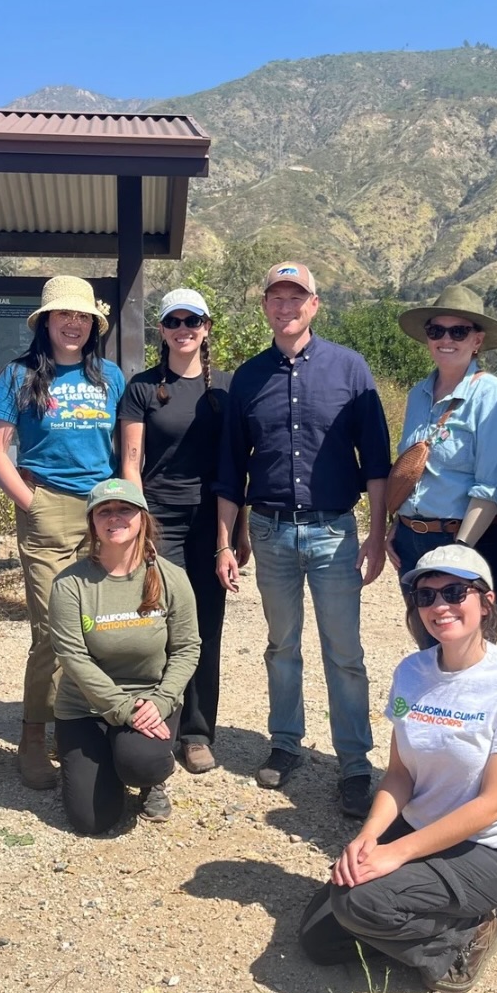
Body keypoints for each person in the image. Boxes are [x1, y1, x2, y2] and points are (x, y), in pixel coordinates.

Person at [298, 546, 497, 993]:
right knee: (319, 936)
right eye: (426, 596)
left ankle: (463, 938)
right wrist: (369, 836)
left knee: (361, 904)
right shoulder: (412, 671)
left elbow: (493, 804)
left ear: (486, 600)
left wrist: (398, 853)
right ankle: (421, 912)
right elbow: (400, 774)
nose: (439, 606)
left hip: (488, 848)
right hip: (420, 827)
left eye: (455, 592)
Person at [215, 262, 391, 820]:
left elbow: (378, 462)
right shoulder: (247, 378)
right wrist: (226, 541)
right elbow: (229, 471)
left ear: (315, 305)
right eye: (276, 298)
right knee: (281, 647)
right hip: (269, 531)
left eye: (297, 297)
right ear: (265, 306)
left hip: (334, 532)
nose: (286, 307)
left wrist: (378, 533)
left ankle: (355, 764)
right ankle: (285, 743)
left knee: (345, 654)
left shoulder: (350, 369)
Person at [0, 276, 124, 790]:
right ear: (44, 322)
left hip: (102, 511)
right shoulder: (20, 375)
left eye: (83, 316)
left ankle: (79, 731)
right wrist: (31, 503)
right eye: (63, 315)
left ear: (93, 325)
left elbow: (124, 450)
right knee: (51, 631)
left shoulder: (110, 376)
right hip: (47, 509)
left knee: (98, 626)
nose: (73, 323)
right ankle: (32, 737)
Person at [119, 287, 247, 775]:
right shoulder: (144, 388)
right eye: (173, 321)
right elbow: (131, 461)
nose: (183, 329)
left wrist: (236, 535)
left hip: (212, 521)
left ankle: (196, 732)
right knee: (157, 624)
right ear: (162, 331)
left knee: (205, 627)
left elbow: (238, 467)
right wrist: (138, 524)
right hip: (159, 519)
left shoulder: (226, 391)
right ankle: (158, 723)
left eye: (192, 320)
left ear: (207, 327)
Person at [47, 477, 201, 831]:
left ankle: (149, 780)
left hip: (149, 702)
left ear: (142, 518)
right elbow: (73, 658)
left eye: (124, 509)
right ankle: (105, 766)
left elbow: (187, 648)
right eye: (105, 511)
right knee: (91, 821)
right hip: (86, 708)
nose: (114, 517)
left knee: (141, 762)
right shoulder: (70, 584)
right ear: (92, 523)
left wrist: (161, 702)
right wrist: (122, 710)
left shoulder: (170, 577)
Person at [388, 285, 497, 613]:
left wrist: (457, 553)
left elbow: (490, 489)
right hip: (413, 540)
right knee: (428, 644)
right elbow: (416, 471)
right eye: (437, 331)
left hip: (469, 542)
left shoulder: (494, 398)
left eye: (458, 331)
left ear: (477, 341)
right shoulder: (417, 395)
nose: (446, 340)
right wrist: (396, 526)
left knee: (469, 651)